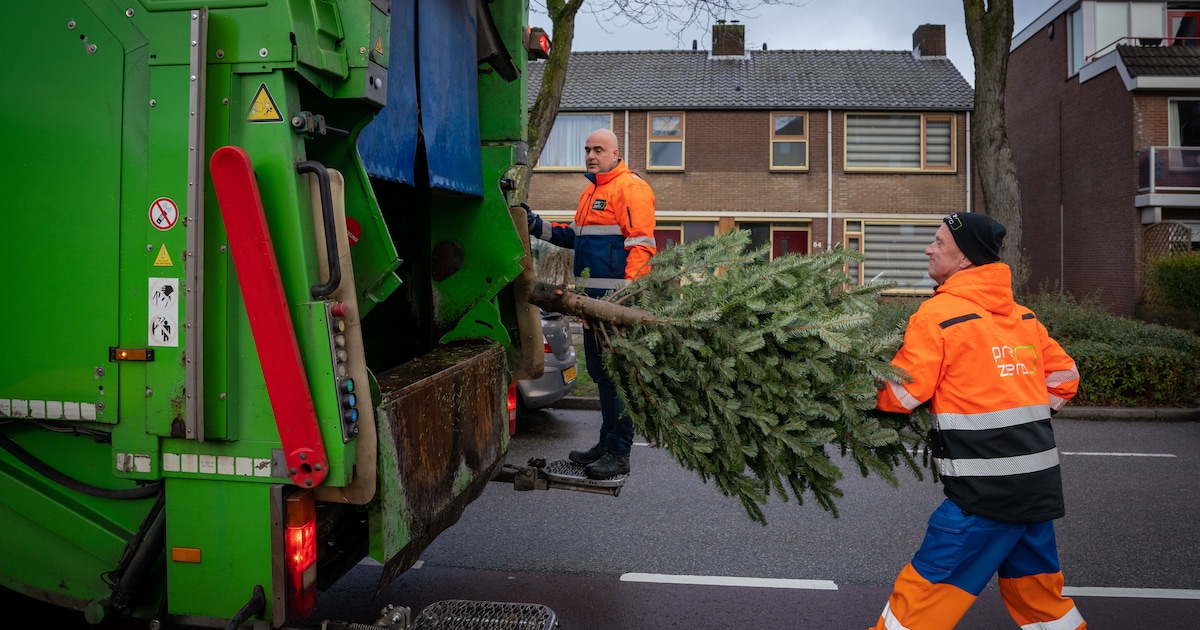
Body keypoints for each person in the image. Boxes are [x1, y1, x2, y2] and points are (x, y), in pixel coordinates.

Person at [871, 212, 1085, 630]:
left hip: (984, 493)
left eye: (939, 242)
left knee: (920, 600)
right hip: (1036, 486)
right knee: (1041, 602)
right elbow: (1065, 379)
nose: (929, 249)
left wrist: (862, 384)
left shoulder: (938, 315)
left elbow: (902, 394)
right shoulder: (1023, 317)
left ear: (966, 258)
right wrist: (1020, 406)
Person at [524, 128, 657, 479]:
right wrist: (536, 225)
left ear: (616, 153)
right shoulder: (592, 192)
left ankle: (619, 452)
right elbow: (574, 236)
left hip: (612, 310)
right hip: (590, 308)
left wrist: (625, 303)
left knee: (618, 380)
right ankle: (606, 442)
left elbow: (641, 246)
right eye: (587, 150)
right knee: (602, 377)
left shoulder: (630, 188)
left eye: (598, 149)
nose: (590, 156)